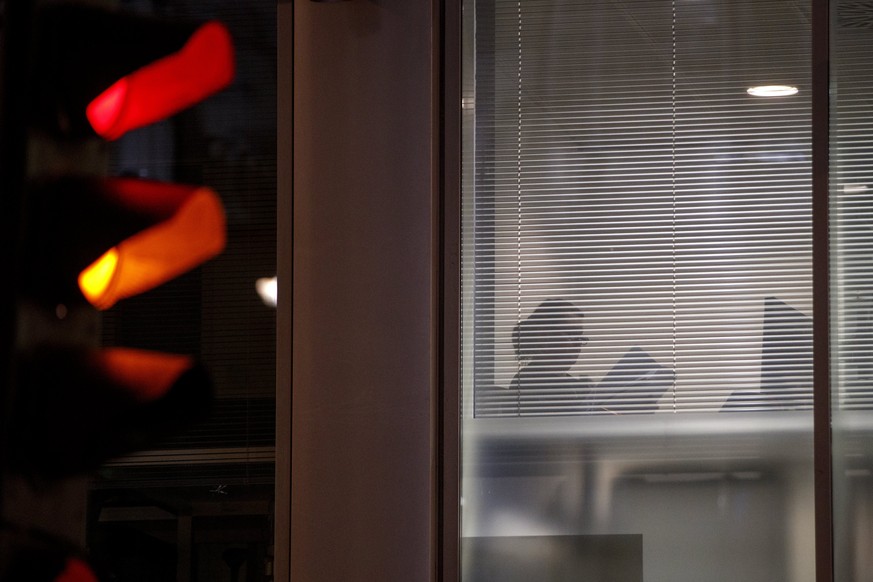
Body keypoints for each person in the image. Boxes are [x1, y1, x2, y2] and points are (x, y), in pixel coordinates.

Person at [508, 298, 594, 415]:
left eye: (580, 337)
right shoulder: (527, 383)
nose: (578, 343)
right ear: (543, 336)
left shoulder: (573, 385)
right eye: (570, 334)